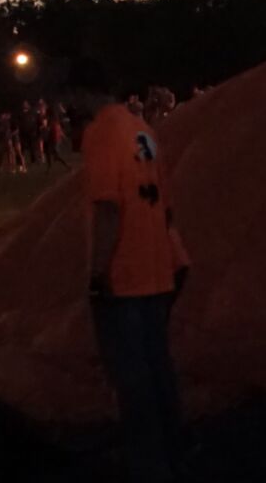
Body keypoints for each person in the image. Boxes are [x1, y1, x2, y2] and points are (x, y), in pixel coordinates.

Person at [70, 57, 190, 483]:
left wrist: (98, 272)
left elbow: (107, 206)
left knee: (132, 377)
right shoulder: (144, 130)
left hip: (126, 272)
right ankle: (174, 454)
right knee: (159, 368)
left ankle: (148, 465)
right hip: (158, 261)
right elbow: (167, 203)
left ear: (82, 93)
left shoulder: (101, 133)